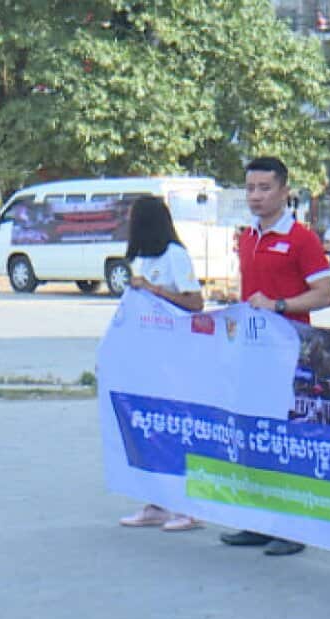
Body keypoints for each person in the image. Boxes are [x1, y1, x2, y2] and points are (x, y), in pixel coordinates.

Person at [218, 156, 330, 557]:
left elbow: (324, 294)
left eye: (265, 188)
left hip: (288, 352)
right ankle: (257, 520)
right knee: (252, 435)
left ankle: (292, 526)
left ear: (285, 190)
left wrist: (279, 304)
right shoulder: (247, 236)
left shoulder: (302, 239)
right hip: (251, 351)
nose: (256, 196)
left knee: (284, 439)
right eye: (250, 188)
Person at [117, 196, 206, 532]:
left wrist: (154, 290)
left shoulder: (175, 256)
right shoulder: (143, 258)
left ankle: (189, 508)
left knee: (177, 430)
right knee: (151, 430)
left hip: (176, 357)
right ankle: (157, 503)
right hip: (149, 356)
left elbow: (195, 302)